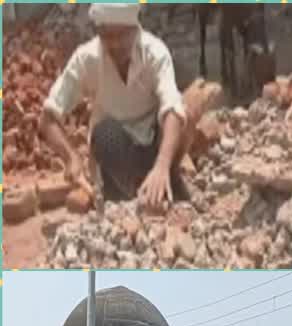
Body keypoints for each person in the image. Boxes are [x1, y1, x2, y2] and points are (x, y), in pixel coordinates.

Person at [41, 4, 191, 207]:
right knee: (105, 133)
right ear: (99, 32)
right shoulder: (86, 59)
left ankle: (165, 180)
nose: (115, 44)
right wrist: (71, 158)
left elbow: (172, 108)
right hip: (115, 156)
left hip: (153, 147)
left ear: (135, 28)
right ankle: (129, 195)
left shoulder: (155, 53)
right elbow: (48, 117)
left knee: (180, 117)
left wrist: (162, 165)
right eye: (107, 36)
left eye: (122, 35)